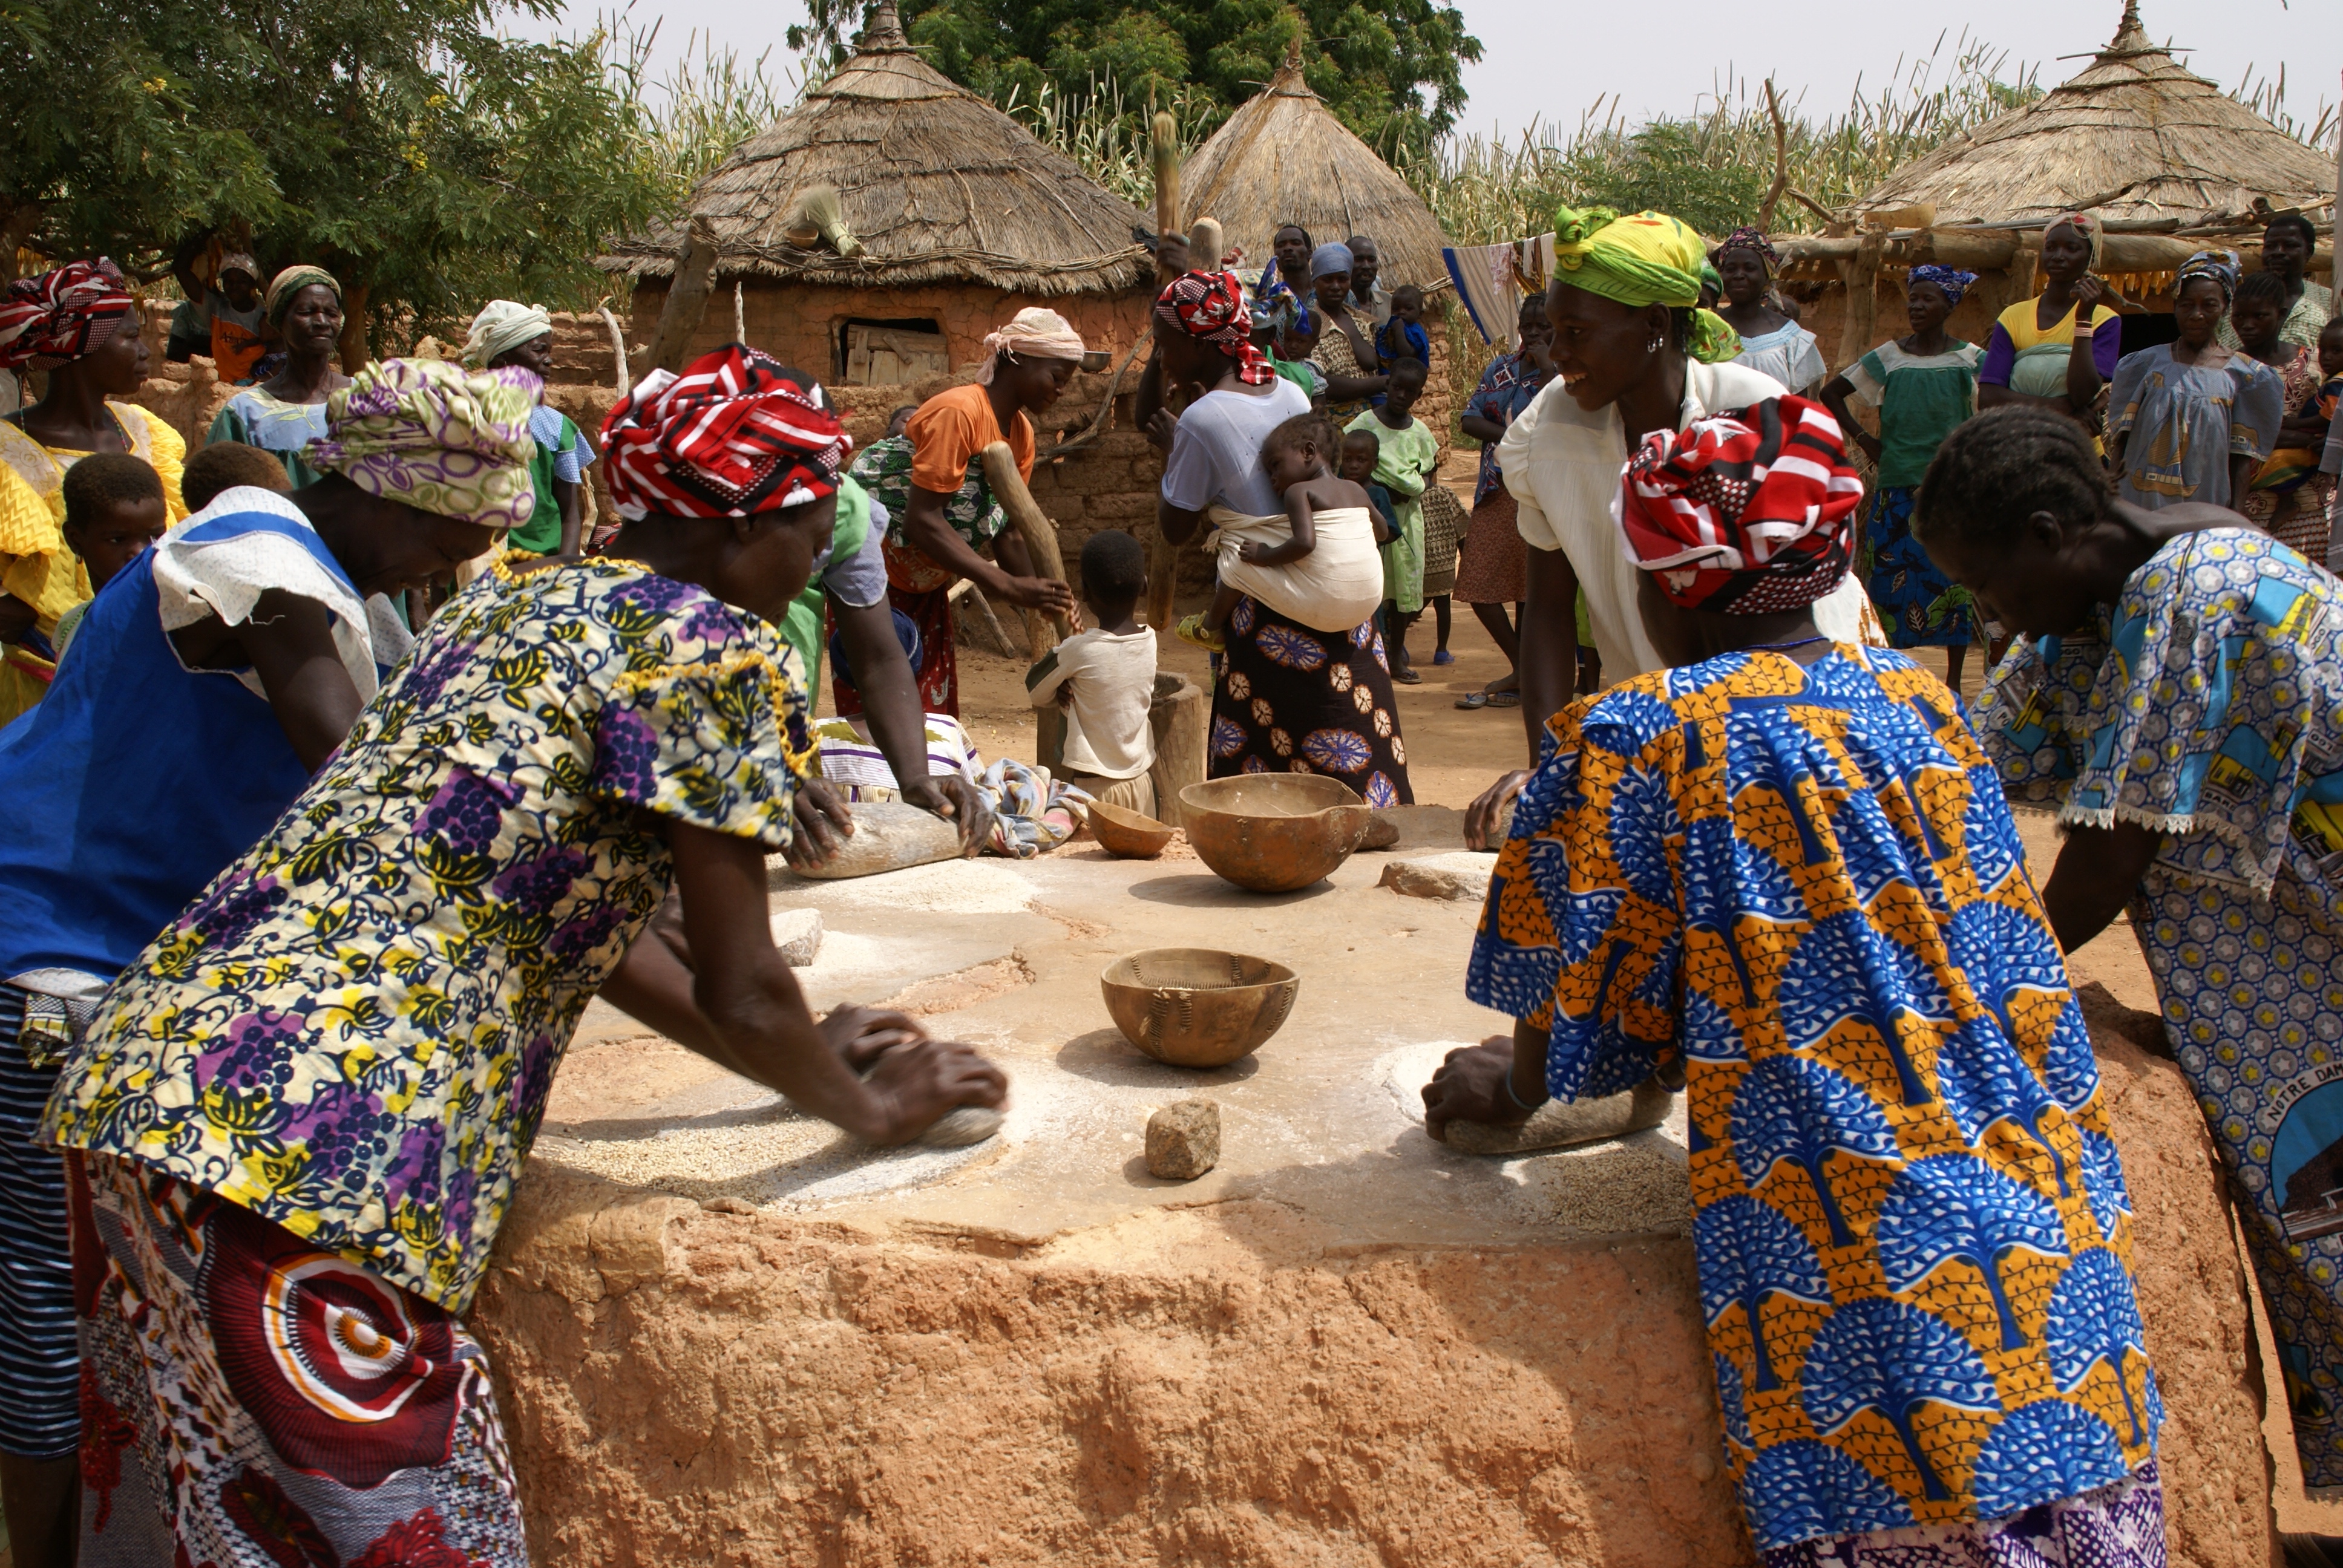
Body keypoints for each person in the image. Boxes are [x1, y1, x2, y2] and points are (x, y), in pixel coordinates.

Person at [38, 344, 1005, 1566]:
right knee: (423, 1530)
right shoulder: (709, 649)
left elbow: (579, 932)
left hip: (151, 1075)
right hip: (315, 1146)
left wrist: (803, 1053)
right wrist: (864, 1104)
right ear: (736, 524)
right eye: (810, 531)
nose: (816, 563)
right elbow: (747, 986)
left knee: (195, 1521)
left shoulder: (516, 600)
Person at [1434, 393, 2168, 1566]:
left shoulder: (1632, 737)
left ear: (1665, 585)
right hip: (2064, 1287)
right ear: (1827, 562)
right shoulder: (1923, 707)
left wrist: (1513, 1084)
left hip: (1877, 1333)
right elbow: (1995, 955)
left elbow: (1584, 1003)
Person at [0, 357, 535, 1568]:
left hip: (102, 967)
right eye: (453, 534)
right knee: (51, 1325)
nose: (452, 562)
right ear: (394, 501)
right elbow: (372, 803)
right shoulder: (264, 564)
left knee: (107, 1329)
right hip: (50, 966)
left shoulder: (327, 581)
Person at [1918, 401, 2343, 1509]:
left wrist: (1960, 982)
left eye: (1987, 582)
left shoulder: (2189, 599)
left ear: (2050, 531)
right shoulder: (2104, 599)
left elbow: (2107, 862)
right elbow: (1960, 757)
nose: (1987, 612)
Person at [1464, 206, 1877, 845]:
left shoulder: (1751, 412)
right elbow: (1546, 609)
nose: (1557, 353)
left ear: (1654, 324)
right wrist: (1547, 769)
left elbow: (1801, 611)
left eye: (1575, 331)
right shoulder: (1547, 429)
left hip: (1790, 716)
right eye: (1551, 331)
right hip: (1655, 718)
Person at [1142, 269, 1412, 805]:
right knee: (1347, 735)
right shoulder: (1290, 390)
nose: (1159, 354)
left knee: (1267, 770)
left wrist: (1176, 450)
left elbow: (1174, 529)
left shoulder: (1200, 420)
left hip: (1271, 603)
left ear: (1199, 342)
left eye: (1164, 341)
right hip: (1343, 596)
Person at [845, 308, 1084, 717]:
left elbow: (1007, 532)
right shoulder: (960, 412)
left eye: (1066, 381)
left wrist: (1044, 595)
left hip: (925, 582)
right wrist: (1006, 585)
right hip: (873, 574)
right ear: (1017, 359)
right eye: (1056, 377)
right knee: (880, 710)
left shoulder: (1021, 436)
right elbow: (922, 519)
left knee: (932, 710)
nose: (1061, 390)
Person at [0, 260, 188, 725]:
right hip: (46, 691)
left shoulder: (143, 433)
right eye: (129, 338)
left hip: (150, 668)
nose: (145, 352)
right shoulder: (8, 455)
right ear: (77, 348)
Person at [1821, 263, 1985, 686]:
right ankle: (1889, 675)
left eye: (1927, 299)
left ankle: (1951, 680)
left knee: (1951, 582)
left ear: (1949, 305)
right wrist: (1863, 439)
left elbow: (1999, 399)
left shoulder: (1969, 359)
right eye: (1913, 298)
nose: (1916, 306)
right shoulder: (1889, 357)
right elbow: (1831, 392)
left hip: (1950, 490)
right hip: (1896, 484)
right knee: (1887, 584)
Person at [1182, 410, 1383, 648]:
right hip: (1369, 603)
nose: (1273, 479)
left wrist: (1264, 556)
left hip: (1332, 603)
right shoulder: (1356, 489)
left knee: (1237, 562)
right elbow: (1381, 532)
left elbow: (1305, 543)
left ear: (1308, 452)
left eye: (1276, 466)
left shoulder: (1298, 492)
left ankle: (1211, 627)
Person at [2106, 250, 2282, 512]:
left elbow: (2241, 457)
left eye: (2209, 305)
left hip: (2205, 504)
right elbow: (2121, 439)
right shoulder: (2144, 365)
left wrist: (2235, 510)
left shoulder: (2246, 377)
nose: (2196, 314)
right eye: (2187, 304)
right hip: (2139, 503)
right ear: (2175, 308)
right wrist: (2110, 496)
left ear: (2225, 308)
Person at [1453, 294, 1551, 711]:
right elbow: (1469, 418)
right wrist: (1514, 437)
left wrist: (1549, 367)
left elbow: (1565, 418)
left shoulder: (1563, 374)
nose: (1532, 331)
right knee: (1478, 584)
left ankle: (1527, 675)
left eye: (1542, 324)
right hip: (1496, 488)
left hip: (1542, 491)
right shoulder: (1502, 369)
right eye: (1527, 323)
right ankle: (1522, 666)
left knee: (1529, 590)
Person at [1027, 530, 1159, 815]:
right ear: (1144, 587)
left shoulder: (1076, 650)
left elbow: (1036, 689)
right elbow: (1107, 660)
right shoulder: (1150, 640)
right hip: (1142, 783)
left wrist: (1061, 684)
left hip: (1092, 790)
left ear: (1085, 592)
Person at [467, 299, 594, 560]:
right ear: (502, 363)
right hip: (482, 563)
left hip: (544, 563)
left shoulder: (556, 427)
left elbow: (569, 514)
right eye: (539, 350)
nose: (548, 361)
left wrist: (564, 567)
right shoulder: (468, 421)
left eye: (549, 352)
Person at [206, 264, 351, 487]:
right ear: (279, 321)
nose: (322, 322)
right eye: (307, 312)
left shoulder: (370, 400)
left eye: (331, 313)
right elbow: (216, 495)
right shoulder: (246, 413)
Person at [1978, 211, 2121, 431]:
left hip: (2074, 448)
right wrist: (2059, 408)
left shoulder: (2104, 320)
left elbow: (2082, 394)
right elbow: (1988, 398)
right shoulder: (2013, 316)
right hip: (2018, 441)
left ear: (2089, 257)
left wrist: (2083, 320)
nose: (2058, 256)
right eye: (2051, 247)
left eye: (2071, 249)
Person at [2235, 272, 2341, 557]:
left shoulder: (2317, 364)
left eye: (2259, 316)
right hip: (2246, 506)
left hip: (2311, 505)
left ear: (2281, 314)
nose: (2247, 325)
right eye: (2239, 316)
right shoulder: (2225, 369)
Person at [1346, 358, 1438, 682]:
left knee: (1404, 592)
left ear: (1419, 395)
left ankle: (1397, 656)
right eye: (1396, 387)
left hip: (1407, 522)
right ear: (1387, 386)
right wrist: (1380, 492)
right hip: (1365, 518)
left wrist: (1411, 492)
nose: (1401, 395)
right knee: (1370, 586)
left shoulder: (1421, 434)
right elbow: (1347, 463)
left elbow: (1429, 476)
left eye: (1409, 391)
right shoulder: (1364, 424)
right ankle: (1370, 655)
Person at [48, 455, 168, 663]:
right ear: (75, 539)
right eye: (118, 539)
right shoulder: (72, 628)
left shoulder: (176, 626)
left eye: (155, 537)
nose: (141, 553)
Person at [1714, 227, 1826, 396]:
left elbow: (1799, 408)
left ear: (1767, 275)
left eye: (1750, 268)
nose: (1739, 275)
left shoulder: (1792, 339)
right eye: (1730, 269)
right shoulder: (1706, 330)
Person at [2217, 212, 2333, 354]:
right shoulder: (2232, 298)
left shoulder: (2328, 302)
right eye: (2270, 246)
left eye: (2290, 245)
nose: (2278, 252)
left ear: (2308, 251)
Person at [1306, 243, 1389, 422]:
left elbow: (1372, 364)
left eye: (1342, 279)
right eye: (1328, 280)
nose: (1336, 286)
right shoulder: (1309, 325)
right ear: (1315, 282)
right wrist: (1380, 383)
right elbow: (1320, 383)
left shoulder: (1362, 320)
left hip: (1373, 423)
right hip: (1334, 424)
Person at [168, 248, 273, 384]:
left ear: (252, 284)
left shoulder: (263, 318)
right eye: (229, 282)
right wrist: (208, 233)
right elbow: (180, 268)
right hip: (224, 389)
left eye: (241, 282)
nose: (234, 286)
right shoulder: (216, 310)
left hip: (252, 391)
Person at [1252, 223, 1314, 340]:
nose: (1288, 248)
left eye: (1296, 243)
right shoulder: (1267, 301)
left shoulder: (1329, 294)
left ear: (1310, 253)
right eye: (1281, 245)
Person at [1372, 284, 1430, 386]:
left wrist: (1399, 331)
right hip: (1384, 376)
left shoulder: (1416, 332)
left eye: (1408, 309)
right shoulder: (1392, 324)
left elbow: (1407, 354)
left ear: (1420, 314)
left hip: (1402, 381)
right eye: (1396, 309)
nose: (1401, 312)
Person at [1270, 309, 1326, 402]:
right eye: (1288, 339)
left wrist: (1314, 414)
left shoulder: (1308, 369)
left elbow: (1319, 395)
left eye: (1300, 341)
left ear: (1315, 343)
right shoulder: (1290, 362)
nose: (1293, 346)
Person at [1344, 234, 1394, 330]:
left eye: (1371, 260)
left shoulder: (1389, 302)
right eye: (1358, 260)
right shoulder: (1335, 307)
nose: (1366, 266)